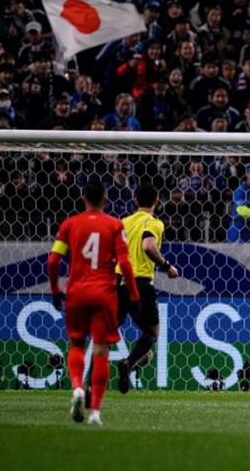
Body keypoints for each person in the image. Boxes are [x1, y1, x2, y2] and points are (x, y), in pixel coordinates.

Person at [46, 181, 140, 426]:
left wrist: (56, 289)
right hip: (104, 295)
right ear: (105, 201)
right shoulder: (114, 225)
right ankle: (95, 412)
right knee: (101, 352)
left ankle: (77, 388)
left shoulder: (70, 224)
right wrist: (133, 293)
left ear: (83, 198)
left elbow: (53, 261)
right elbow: (125, 263)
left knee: (77, 344)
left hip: (77, 293)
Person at [116, 184, 180, 394]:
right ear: (156, 202)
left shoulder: (123, 222)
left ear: (135, 201)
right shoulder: (154, 222)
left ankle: (87, 386)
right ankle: (129, 362)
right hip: (140, 282)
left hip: (117, 281)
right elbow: (148, 246)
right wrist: (167, 266)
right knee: (152, 332)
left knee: (106, 332)